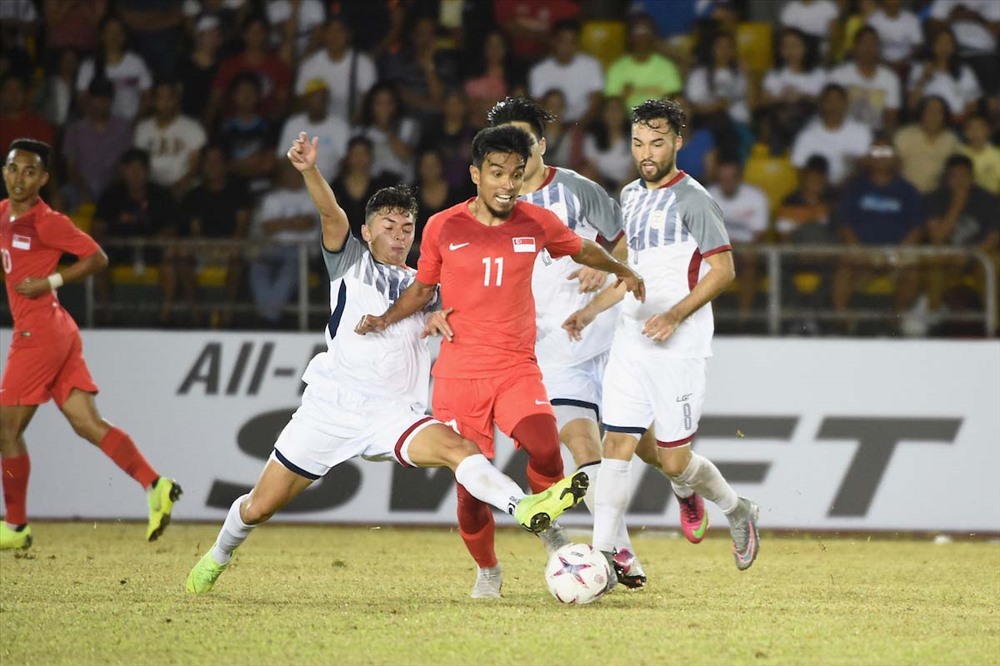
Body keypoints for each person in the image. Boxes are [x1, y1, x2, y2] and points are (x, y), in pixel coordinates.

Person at [186, 133, 588, 594]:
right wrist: (310, 171)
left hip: (394, 414)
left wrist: (441, 314)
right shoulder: (349, 262)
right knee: (260, 506)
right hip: (332, 409)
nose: (398, 236)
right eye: (388, 226)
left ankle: (523, 509)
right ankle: (217, 556)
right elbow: (329, 213)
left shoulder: (426, 283)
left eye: (406, 228)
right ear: (367, 231)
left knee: (463, 452)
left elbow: (468, 301)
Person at [355, 124, 645, 598]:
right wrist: (389, 318)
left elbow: (582, 247)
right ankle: (488, 570)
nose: (507, 183)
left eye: (515, 173)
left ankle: (546, 523)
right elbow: (425, 289)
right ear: (475, 174)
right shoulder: (443, 226)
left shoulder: (535, 222)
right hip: (459, 373)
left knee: (546, 446)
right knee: (471, 493)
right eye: (496, 173)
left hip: (515, 365)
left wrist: (621, 268)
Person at [484, 96, 712, 589]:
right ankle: (620, 551)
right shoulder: (490, 210)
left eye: (523, 142)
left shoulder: (577, 191)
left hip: (610, 341)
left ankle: (682, 484)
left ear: (540, 145)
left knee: (650, 450)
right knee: (585, 448)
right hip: (552, 349)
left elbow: (633, 238)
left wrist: (602, 260)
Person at [562, 99, 761, 581]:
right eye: (637, 142)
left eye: (656, 142)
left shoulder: (693, 198)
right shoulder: (631, 193)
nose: (646, 152)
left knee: (674, 459)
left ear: (677, 142)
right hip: (631, 338)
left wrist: (674, 314)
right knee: (617, 448)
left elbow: (724, 269)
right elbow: (635, 251)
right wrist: (591, 306)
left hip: (679, 344)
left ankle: (737, 510)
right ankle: (603, 558)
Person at [0, 139, 181, 550]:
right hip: (57, 330)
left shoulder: (47, 221)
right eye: (13, 168)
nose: (19, 178)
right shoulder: (2, 216)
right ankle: (156, 485)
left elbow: (98, 257)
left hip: (40, 333)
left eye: (30, 172)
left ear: (44, 179)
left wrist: (50, 280)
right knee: (86, 423)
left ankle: (14, 526)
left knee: (6, 430)